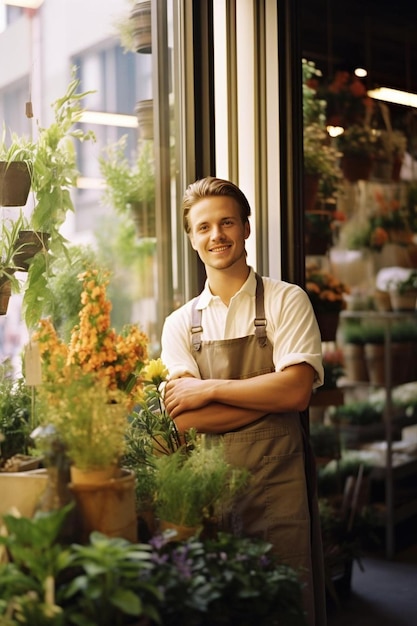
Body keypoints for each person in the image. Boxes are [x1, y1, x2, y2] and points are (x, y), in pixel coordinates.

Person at [161, 176, 326, 626]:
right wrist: (269, 392)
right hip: (209, 493)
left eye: (227, 222)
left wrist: (208, 388)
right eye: (204, 227)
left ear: (246, 228)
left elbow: (295, 392)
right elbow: (185, 423)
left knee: (287, 604)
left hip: (280, 488)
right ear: (192, 239)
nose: (217, 235)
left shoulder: (286, 301)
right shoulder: (179, 325)